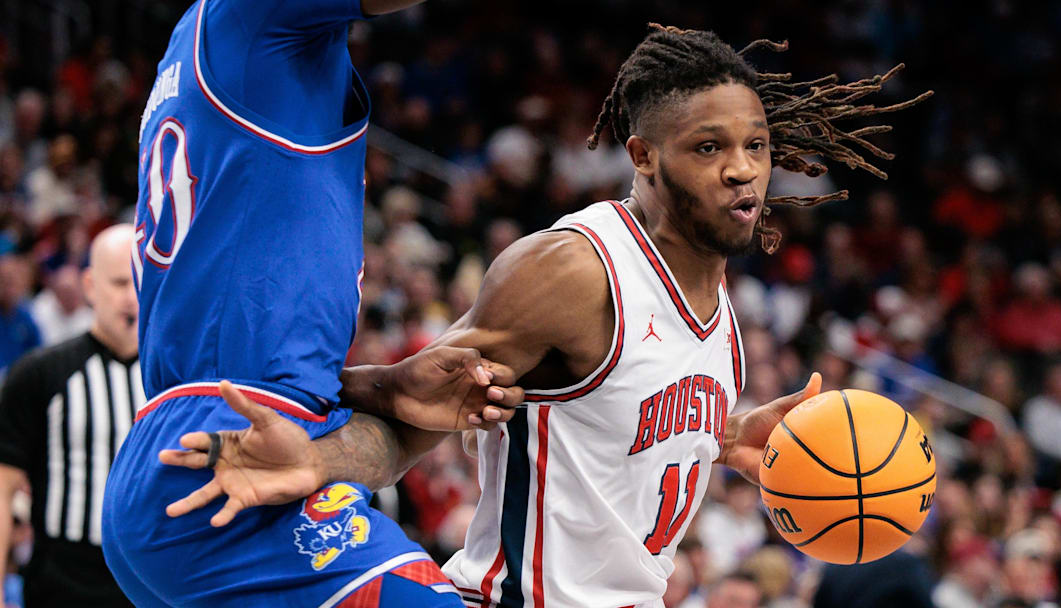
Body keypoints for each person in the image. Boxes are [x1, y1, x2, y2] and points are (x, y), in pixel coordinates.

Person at [163, 24, 929, 607]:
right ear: (644, 156)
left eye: (756, 146)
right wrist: (321, 458)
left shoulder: (723, 319)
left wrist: (722, 437)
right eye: (709, 146)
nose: (742, 168)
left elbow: (615, 423)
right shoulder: (575, 269)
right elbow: (418, 409)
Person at [101, 1, 519, 607]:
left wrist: (387, 392)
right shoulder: (252, 18)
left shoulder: (213, 49)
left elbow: (342, 452)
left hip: (220, 452)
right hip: (224, 445)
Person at [0, 225, 143, 607]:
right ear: (90, 286)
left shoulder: (175, 381)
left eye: (141, 281)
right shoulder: (40, 373)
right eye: (118, 283)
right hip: (63, 584)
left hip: (151, 582)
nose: (131, 297)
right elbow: (3, 485)